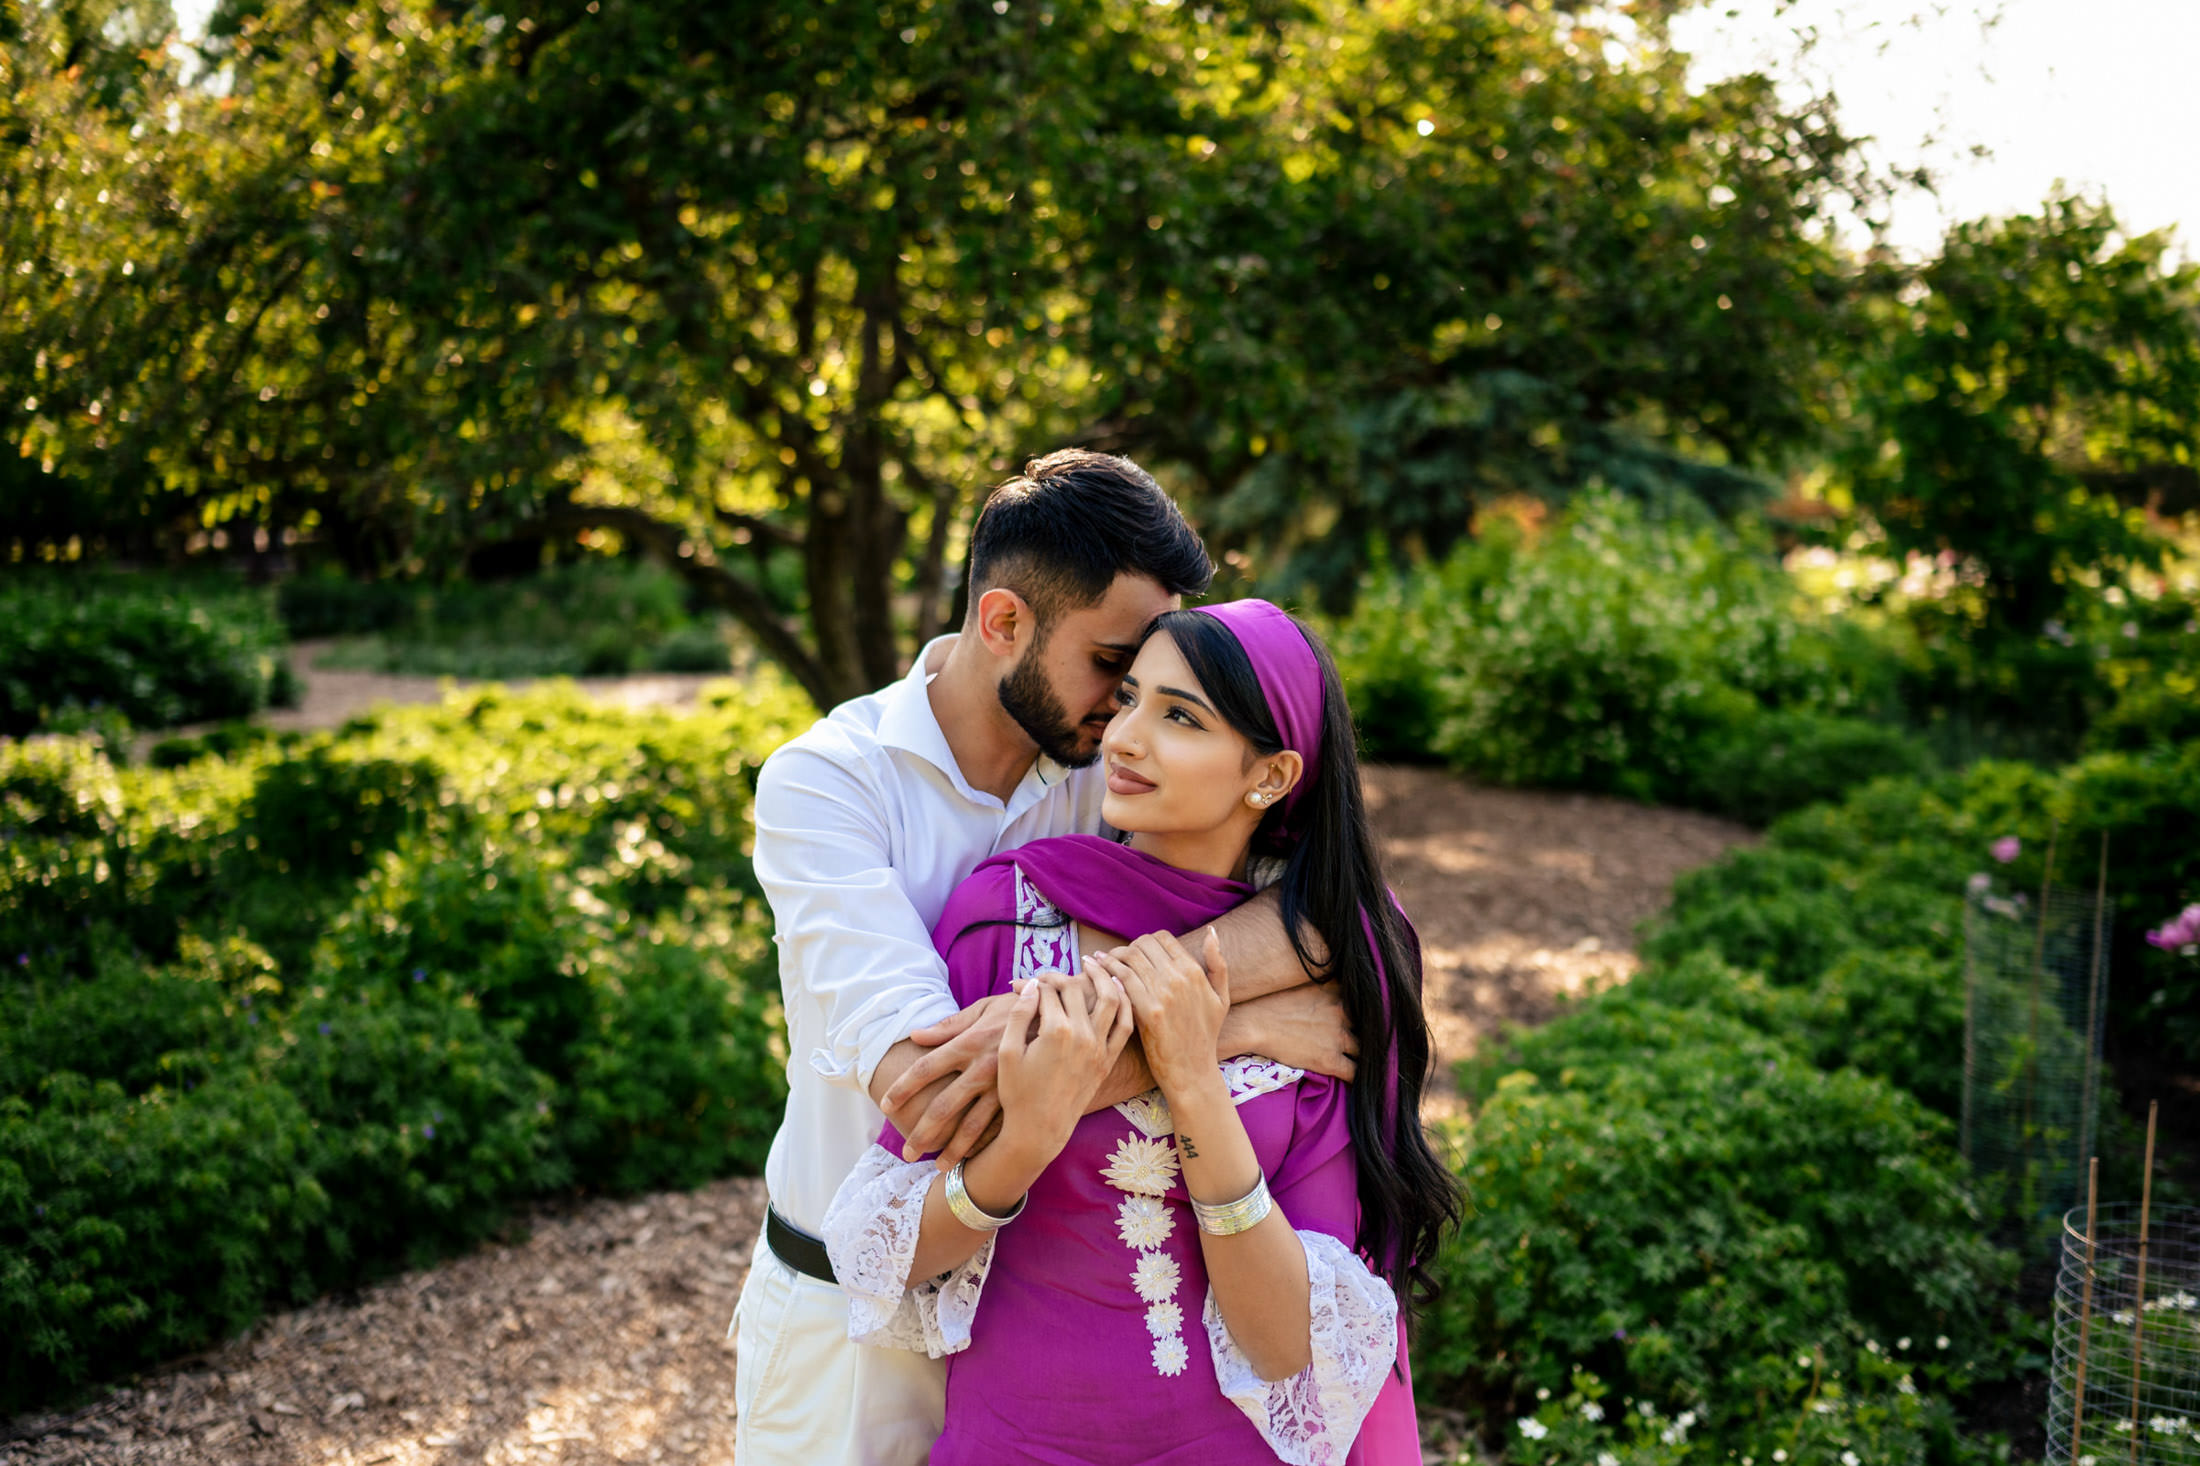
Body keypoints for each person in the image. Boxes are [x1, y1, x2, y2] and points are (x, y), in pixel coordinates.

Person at [731, 453, 1358, 1466]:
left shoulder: (1093, 768)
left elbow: (1340, 916)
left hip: (1013, 1330)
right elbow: (931, 1096)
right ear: (1004, 623)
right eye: (1114, 664)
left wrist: (1161, 1005)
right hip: (844, 1326)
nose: (1129, 712)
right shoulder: (827, 784)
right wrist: (1228, 1025)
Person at [821, 600, 1461, 1465]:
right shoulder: (1005, 919)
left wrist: (1197, 1079)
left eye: (1179, 717)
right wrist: (1028, 1140)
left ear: (1270, 776)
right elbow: (890, 1253)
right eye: (1128, 699)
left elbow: (1281, 1345)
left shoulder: (1329, 972)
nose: (1123, 738)